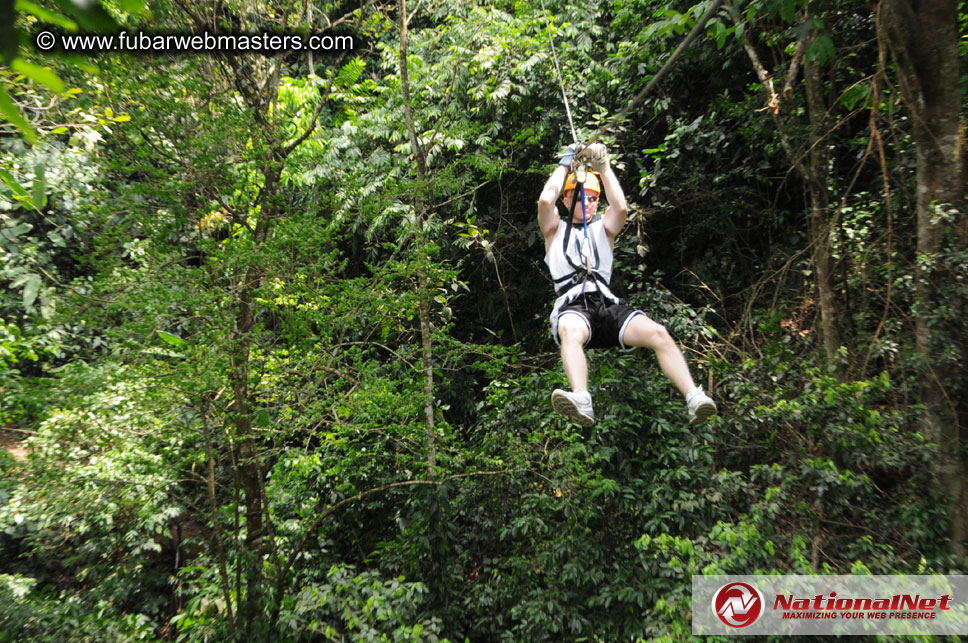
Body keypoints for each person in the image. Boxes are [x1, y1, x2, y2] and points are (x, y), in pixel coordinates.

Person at [537, 141, 717, 426]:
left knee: (658, 333)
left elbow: (620, 207)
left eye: (593, 198)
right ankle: (581, 398)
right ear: (567, 200)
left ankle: (694, 397)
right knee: (569, 329)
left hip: (605, 303)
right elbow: (546, 201)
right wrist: (565, 163)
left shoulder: (603, 229)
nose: (588, 202)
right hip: (574, 306)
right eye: (581, 196)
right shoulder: (554, 229)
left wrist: (603, 167)